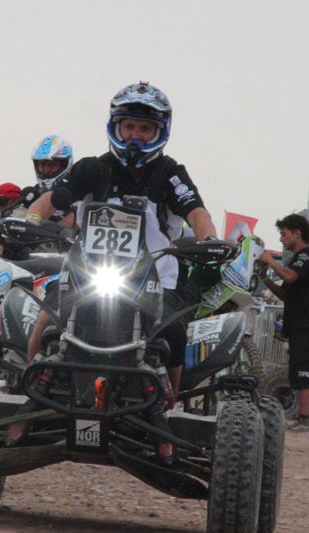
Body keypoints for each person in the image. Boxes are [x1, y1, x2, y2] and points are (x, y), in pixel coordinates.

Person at [24, 81, 218, 411]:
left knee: (173, 331)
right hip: (87, 274)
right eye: (129, 127)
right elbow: (50, 200)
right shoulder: (92, 168)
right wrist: (30, 220)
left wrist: (210, 241)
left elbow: (197, 213)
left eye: (145, 129)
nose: (135, 136)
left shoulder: (171, 174)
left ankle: (168, 404)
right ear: (116, 127)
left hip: (154, 279)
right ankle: (27, 388)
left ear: (159, 132)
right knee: (46, 317)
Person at [259, 214, 309, 433]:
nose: (281, 239)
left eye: (284, 234)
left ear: (297, 233)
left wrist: (271, 261)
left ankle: (305, 419)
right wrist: (264, 277)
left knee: (305, 372)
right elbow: (285, 293)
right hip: (296, 325)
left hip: (306, 325)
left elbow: (290, 277)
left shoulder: (306, 255)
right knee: (298, 370)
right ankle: (302, 418)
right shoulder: (294, 260)